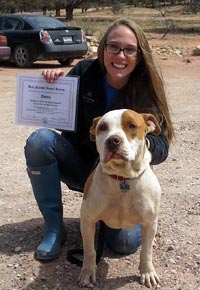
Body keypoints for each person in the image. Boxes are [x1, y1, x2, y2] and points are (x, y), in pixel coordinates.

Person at [24, 18, 175, 261]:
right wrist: (50, 85)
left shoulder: (146, 89)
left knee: (124, 244)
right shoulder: (85, 72)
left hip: (124, 178)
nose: (120, 55)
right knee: (39, 142)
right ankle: (54, 228)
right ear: (103, 48)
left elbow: (163, 145)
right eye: (113, 47)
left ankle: (107, 216)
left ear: (139, 54)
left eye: (129, 49)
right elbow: (57, 114)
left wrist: (138, 144)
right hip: (84, 167)